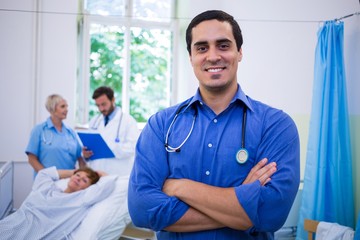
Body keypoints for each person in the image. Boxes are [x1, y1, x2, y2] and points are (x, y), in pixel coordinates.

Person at [128, 10, 300, 239]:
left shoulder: (276, 126)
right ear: (190, 56)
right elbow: (142, 210)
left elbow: (270, 214)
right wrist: (242, 206)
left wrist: (180, 187)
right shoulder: (161, 125)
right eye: (201, 48)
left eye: (223, 45)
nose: (212, 56)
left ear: (239, 52)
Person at [0, 166, 116, 239]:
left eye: (84, 180)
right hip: (14, 222)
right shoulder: (48, 188)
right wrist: (73, 172)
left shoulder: (81, 199)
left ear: (88, 188)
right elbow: (44, 174)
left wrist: (100, 173)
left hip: (34, 232)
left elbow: (108, 185)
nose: (78, 179)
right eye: (78, 175)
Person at [82, 86, 139, 176]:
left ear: (113, 100)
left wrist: (109, 148)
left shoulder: (128, 121)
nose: (101, 109)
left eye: (104, 104)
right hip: (96, 173)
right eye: (98, 105)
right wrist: (86, 154)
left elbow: (133, 147)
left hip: (118, 173)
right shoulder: (94, 121)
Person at [25, 94, 86, 176]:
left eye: (67, 106)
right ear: (52, 109)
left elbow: (80, 159)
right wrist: (47, 176)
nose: (66, 109)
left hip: (68, 182)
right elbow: (32, 159)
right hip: (46, 181)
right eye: (62, 106)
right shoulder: (39, 130)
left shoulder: (71, 132)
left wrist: (82, 176)